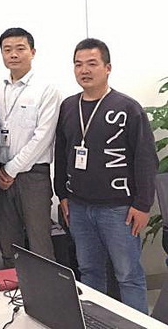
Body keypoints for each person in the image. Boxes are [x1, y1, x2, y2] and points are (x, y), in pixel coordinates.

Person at [54, 38, 157, 313]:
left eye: (92, 63)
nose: (84, 70)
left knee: (128, 275)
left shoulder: (127, 107)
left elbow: (146, 158)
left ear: (107, 67)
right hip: (78, 206)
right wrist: (62, 194)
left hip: (119, 208)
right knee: (89, 272)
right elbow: (62, 153)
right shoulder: (68, 106)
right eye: (78, 64)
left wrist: (143, 204)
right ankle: (96, 321)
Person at [0, 27, 61, 268]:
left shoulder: (46, 89)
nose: (13, 54)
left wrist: (11, 170)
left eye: (20, 48)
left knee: (40, 243)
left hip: (33, 176)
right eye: (7, 49)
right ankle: (13, 289)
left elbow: (43, 137)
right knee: (8, 243)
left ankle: (46, 291)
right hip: (0, 175)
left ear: (33, 52)